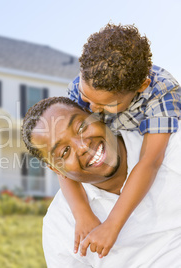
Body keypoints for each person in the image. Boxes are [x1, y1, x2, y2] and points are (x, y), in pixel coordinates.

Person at [62, 23, 181, 257]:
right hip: (109, 150)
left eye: (107, 105)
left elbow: (150, 161)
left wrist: (112, 225)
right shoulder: (79, 87)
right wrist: (82, 211)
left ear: (141, 86)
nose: (93, 108)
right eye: (87, 97)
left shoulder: (162, 92)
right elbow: (60, 153)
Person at [22, 97, 181, 267]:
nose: (83, 146)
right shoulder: (60, 225)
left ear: (96, 115)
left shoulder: (171, 144)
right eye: (65, 151)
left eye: (81, 127)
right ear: (56, 169)